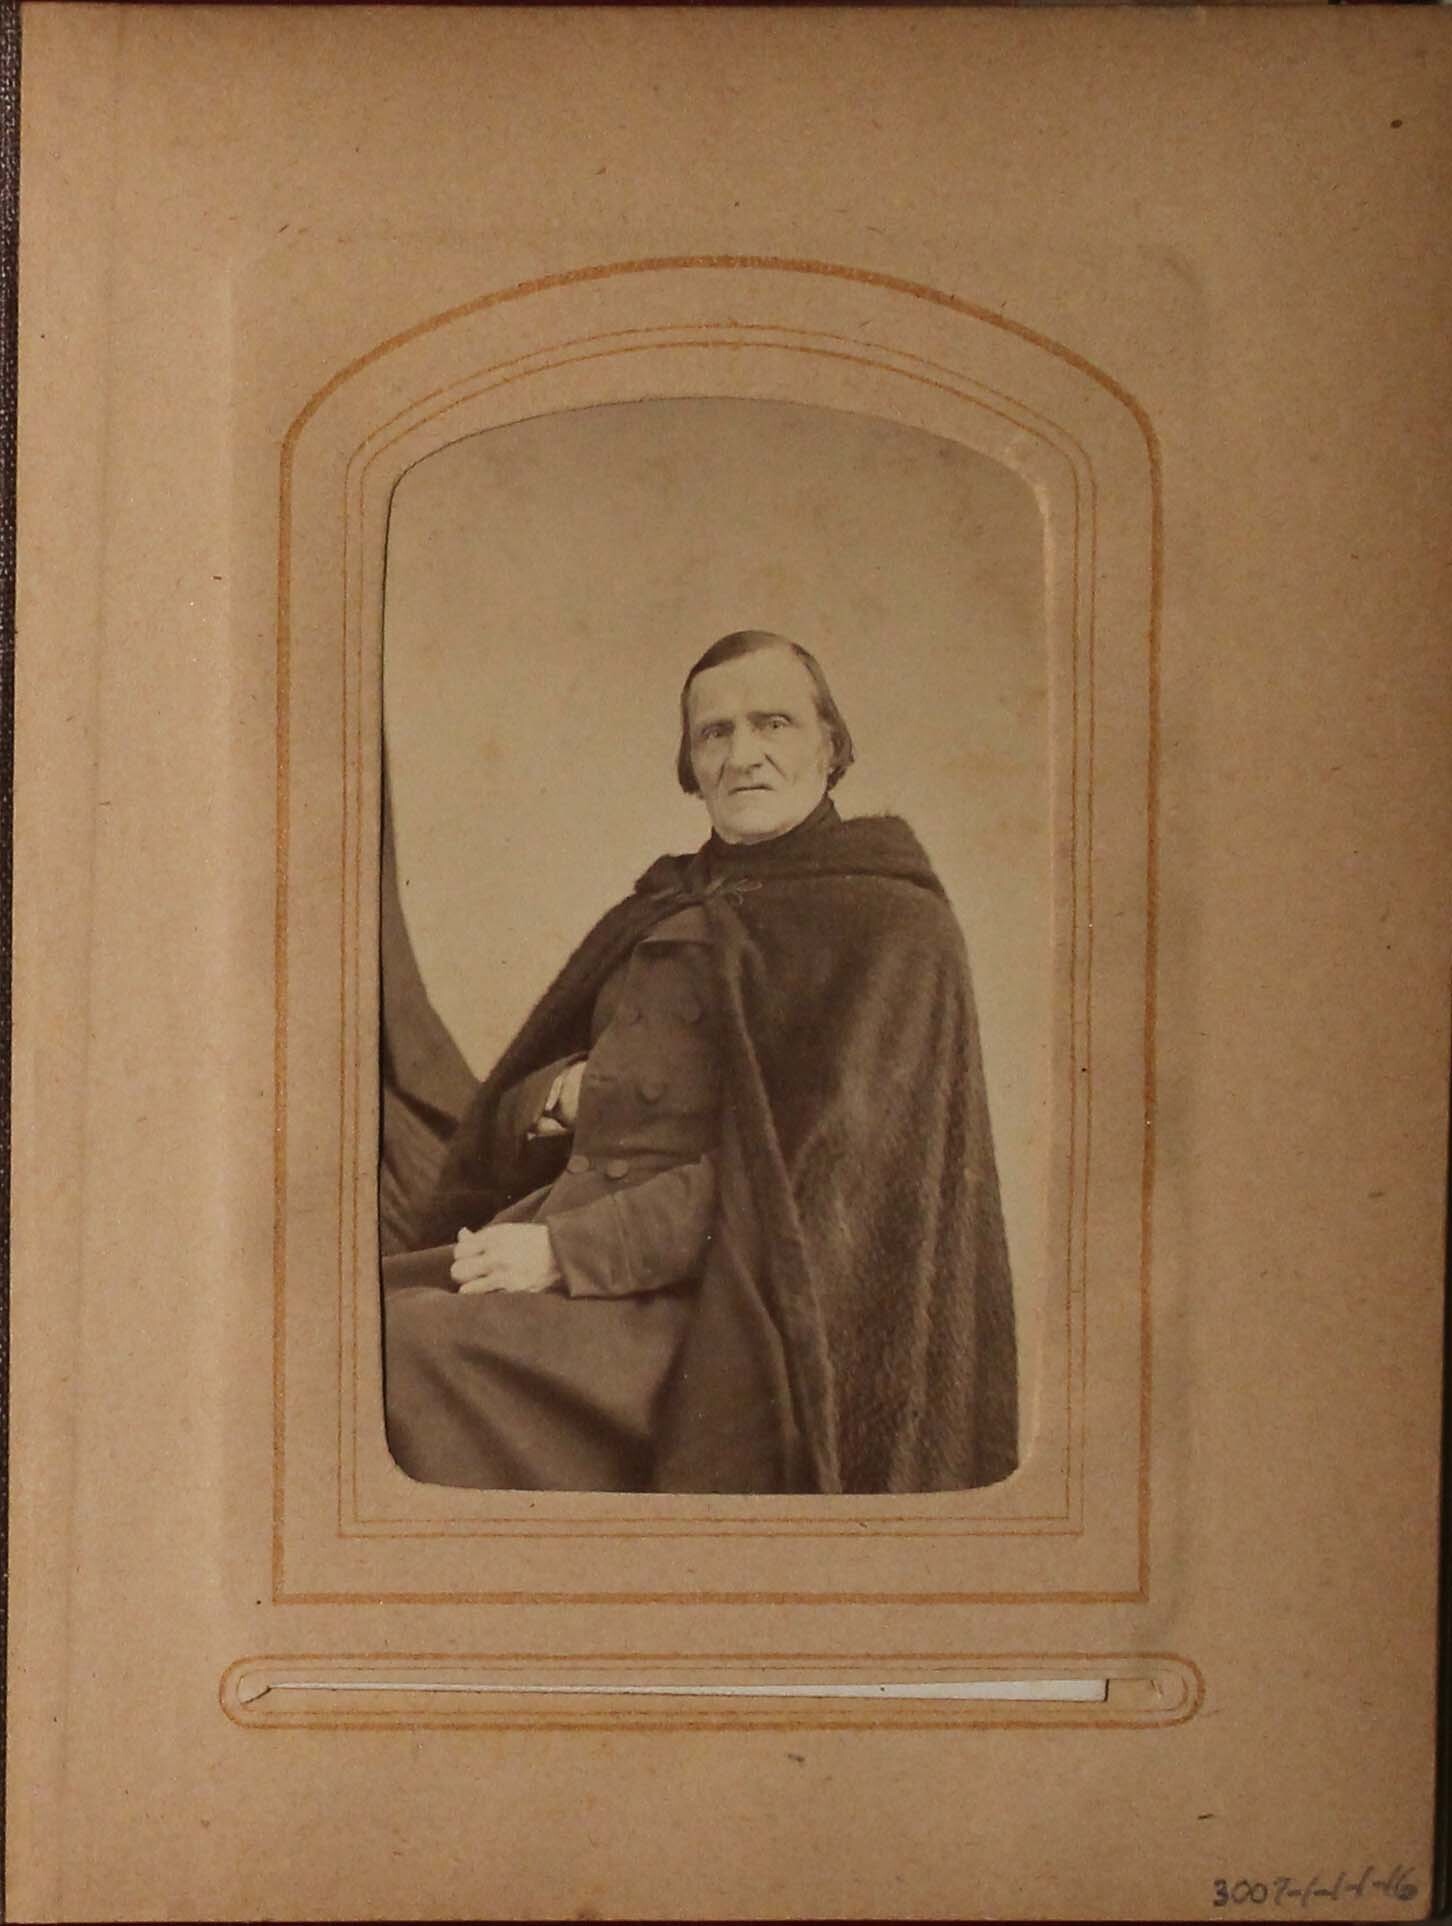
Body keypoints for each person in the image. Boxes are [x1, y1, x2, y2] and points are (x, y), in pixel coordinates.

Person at [382, 629, 1017, 1495]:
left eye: (774, 724)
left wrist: (565, 1254)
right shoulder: (666, 901)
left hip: (718, 1318)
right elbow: (527, 1100)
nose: (743, 755)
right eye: (715, 732)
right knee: (331, 1326)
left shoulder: (891, 930)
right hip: (555, 1248)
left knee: (406, 1353)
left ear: (830, 746)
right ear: (690, 764)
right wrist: (559, 1098)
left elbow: (796, 1189)